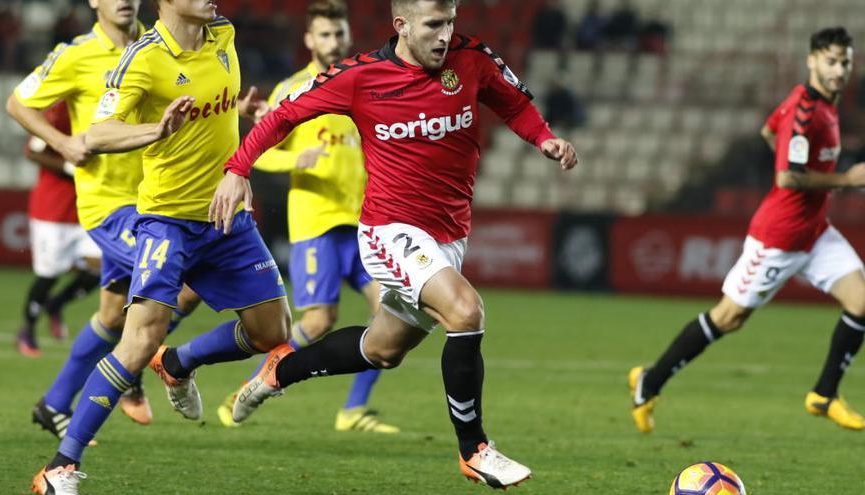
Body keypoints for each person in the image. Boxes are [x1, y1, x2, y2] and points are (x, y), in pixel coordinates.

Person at [210, 0, 577, 488]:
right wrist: (238, 169)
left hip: (449, 235)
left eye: (450, 22)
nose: (445, 34)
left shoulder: (473, 60)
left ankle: (280, 370)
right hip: (390, 230)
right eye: (433, 25)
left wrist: (545, 139)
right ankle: (475, 449)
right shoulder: (360, 76)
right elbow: (282, 117)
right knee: (465, 312)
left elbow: (515, 104)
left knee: (383, 350)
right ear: (401, 26)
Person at [30, 0, 287, 492]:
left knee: (271, 331)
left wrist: (239, 124)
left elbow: (209, 115)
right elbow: (98, 133)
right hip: (167, 222)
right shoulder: (143, 58)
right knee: (138, 335)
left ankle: (177, 363)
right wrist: (156, 130)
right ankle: (59, 467)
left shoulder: (224, 34)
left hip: (225, 217)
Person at [629, 27, 865, 434]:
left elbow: (768, 131)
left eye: (845, 61)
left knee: (862, 302)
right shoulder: (805, 110)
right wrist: (847, 181)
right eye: (831, 60)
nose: (840, 69)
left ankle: (824, 394)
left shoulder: (822, 105)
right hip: (779, 237)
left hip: (815, 232)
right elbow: (788, 179)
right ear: (811, 60)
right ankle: (650, 381)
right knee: (729, 318)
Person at [6, 0, 205, 445]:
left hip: (157, 199)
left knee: (113, 315)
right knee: (186, 283)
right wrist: (62, 143)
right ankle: (135, 368)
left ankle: (55, 403)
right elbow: (18, 102)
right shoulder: (75, 54)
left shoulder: (164, 46)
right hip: (110, 207)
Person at [215, 0, 398, 434]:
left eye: (340, 33)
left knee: (392, 313)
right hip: (316, 223)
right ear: (309, 40)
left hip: (362, 223)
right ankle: (251, 385)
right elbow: (263, 154)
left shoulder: (362, 83)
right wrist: (298, 162)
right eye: (325, 34)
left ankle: (353, 409)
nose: (334, 42)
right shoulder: (293, 89)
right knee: (318, 321)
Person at [15, 100, 101, 358]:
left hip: (87, 208)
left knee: (102, 268)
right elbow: (33, 151)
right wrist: (69, 167)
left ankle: (56, 305)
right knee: (49, 273)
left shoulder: (104, 104)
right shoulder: (61, 110)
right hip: (52, 211)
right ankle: (27, 330)